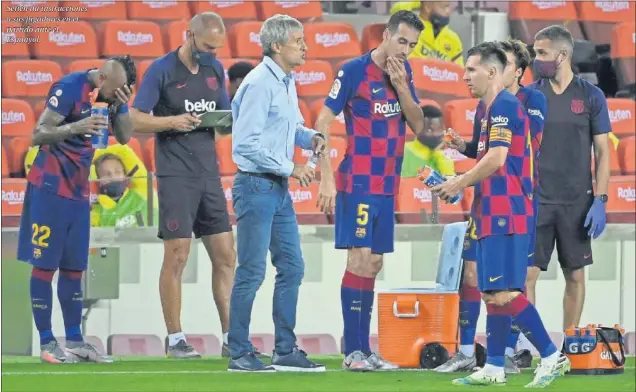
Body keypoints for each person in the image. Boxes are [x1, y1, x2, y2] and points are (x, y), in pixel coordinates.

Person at [432, 42, 569, 387]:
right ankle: (493, 366)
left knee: (507, 292)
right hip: (490, 210)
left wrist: (458, 183)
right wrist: (456, 179)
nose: (464, 76)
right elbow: (485, 156)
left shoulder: (506, 106)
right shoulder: (489, 107)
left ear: (492, 72)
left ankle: (552, 356)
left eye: (471, 70)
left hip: (507, 210)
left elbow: (495, 158)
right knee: (492, 292)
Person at [314, 10, 425, 371]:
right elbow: (322, 122)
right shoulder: (353, 70)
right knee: (359, 258)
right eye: (402, 40)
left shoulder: (403, 73)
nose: (406, 49)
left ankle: (364, 350)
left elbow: (420, 125)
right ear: (386, 35)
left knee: (374, 262)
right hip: (358, 181)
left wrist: (403, 87)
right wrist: (327, 176)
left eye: (412, 45)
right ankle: (354, 351)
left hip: (386, 184)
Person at [130, 12, 238, 359]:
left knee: (225, 255)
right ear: (188, 35)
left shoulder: (214, 70)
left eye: (217, 49)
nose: (212, 54)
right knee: (177, 255)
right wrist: (172, 121)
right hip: (175, 173)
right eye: (207, 47)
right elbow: (133, 118)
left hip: (209, 172)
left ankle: (231, 336)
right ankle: (176, 338)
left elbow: (223, 122)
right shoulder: (161, 70)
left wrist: (228, 120)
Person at [18, 55, 135, 363]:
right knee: (45, 266)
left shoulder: (110, 96)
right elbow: (38, 133)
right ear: (103, 80)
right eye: (118, 91)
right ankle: (46, 343)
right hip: (50, 187)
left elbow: (124, 137)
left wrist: (121, 105)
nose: (118, 96)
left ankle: (76, 341)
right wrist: (78, 126)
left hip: (79, 189)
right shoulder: (69, 87)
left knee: (74, 268)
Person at [228, 14, 328, 373]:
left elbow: (287, 127)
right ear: (276, 45)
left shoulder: (285, 80)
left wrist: (309, 137)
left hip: (276, 189)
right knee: (252, 271)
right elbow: (247, 143)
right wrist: (292, 167)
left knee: (292, 266)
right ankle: (238, 351)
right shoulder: (259, 83)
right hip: (256, 185)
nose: (305, 46)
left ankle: (284, 350)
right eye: (298, 40)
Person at [526, 25, 611, 341]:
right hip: (537, 199)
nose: (537, 59)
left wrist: (600, 201)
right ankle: (533, 346)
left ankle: (570, 343)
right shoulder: (531, 95)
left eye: (542, 53)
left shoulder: (591, 96)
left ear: (562, 55)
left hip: (577, 202)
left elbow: (603, 152)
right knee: (526, 276)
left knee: (575, 275)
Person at [90, 144, 159, 228]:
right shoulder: (97, 210)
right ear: (98, 179)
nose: (113, 177)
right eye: (106, 174)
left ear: (125, 175)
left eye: (118, 172)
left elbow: (125, 151)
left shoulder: (143, 194)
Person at [390, 1, 464, 65]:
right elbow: (396, 9)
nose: (448, 11)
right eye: (444, 7)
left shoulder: (453, 39)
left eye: (449, 6)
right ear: (427, 7)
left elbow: (460, 74)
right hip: (410, 79)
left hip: (441, 80)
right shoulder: (410, 26)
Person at [401, 104, 455, 178]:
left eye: (439, 129)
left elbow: (453, 187)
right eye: (429, 130)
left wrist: (443, 160)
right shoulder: (402, 153)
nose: (436, 135)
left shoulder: (444, 156)